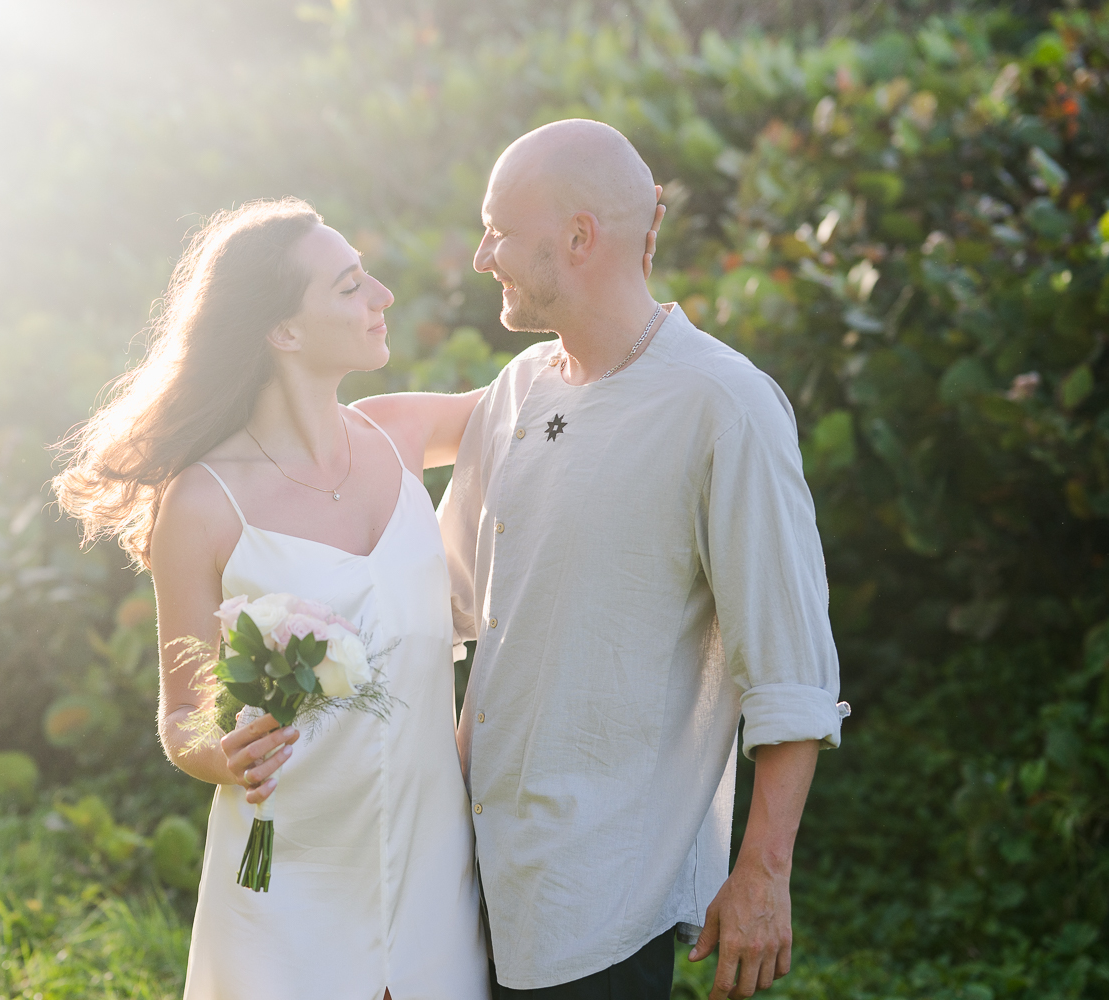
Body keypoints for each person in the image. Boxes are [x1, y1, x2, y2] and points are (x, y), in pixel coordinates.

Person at [438, 119, 849, 1000]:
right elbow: (441, 601)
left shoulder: (723, 406)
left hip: (601, 896)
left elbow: (790, 669)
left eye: (500, 230)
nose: (482, 257)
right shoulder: (516, 391)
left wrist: (764, 875)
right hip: (462, 876)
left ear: (580, 238)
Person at [53, 198, 495, 999]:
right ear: (284, 331)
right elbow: (183, 714)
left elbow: (544, 401)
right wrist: (220, 754)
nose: (383, 297)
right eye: (351, 285)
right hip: (286, 883)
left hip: (435, 875)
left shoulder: (398, 436)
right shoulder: (203, 502)